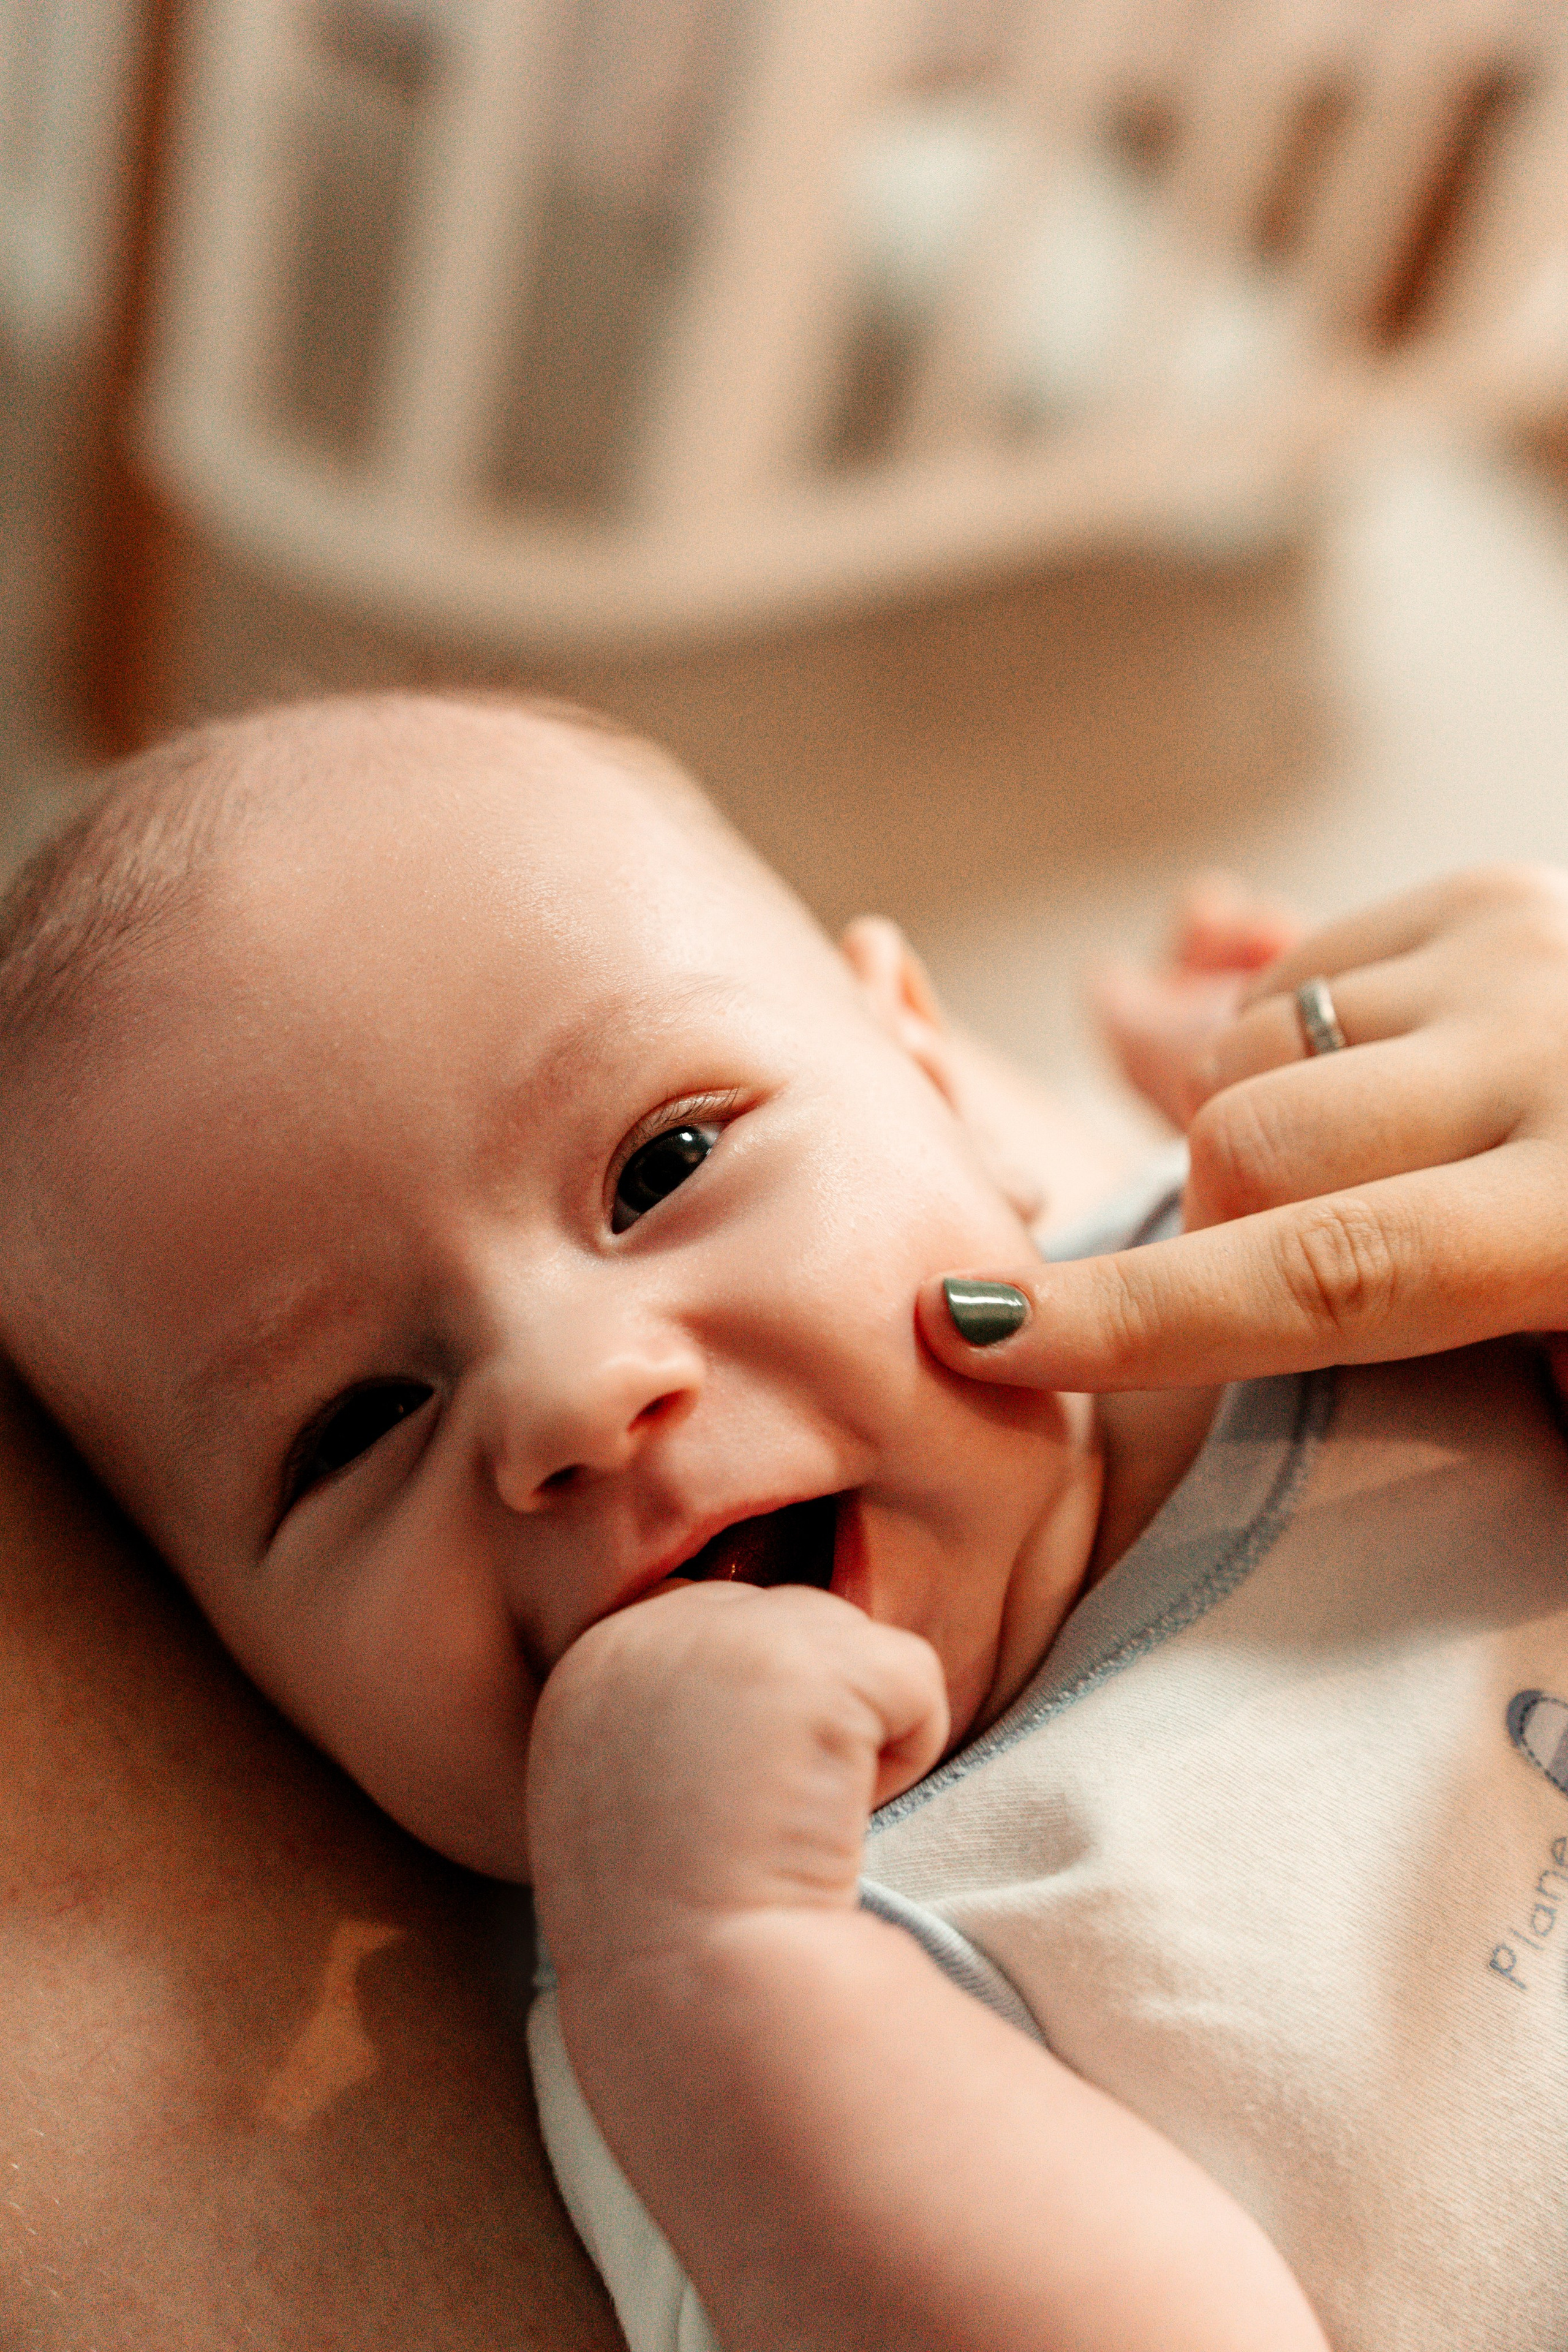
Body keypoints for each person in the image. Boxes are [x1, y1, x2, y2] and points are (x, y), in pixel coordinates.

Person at [3, 691, 1567, 2352]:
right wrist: (718, 1968)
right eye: (357, 1426)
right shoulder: (720, 2063)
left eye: (663, 1164)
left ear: (931, 1066)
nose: (566, 1399)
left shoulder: (1355, 1266)